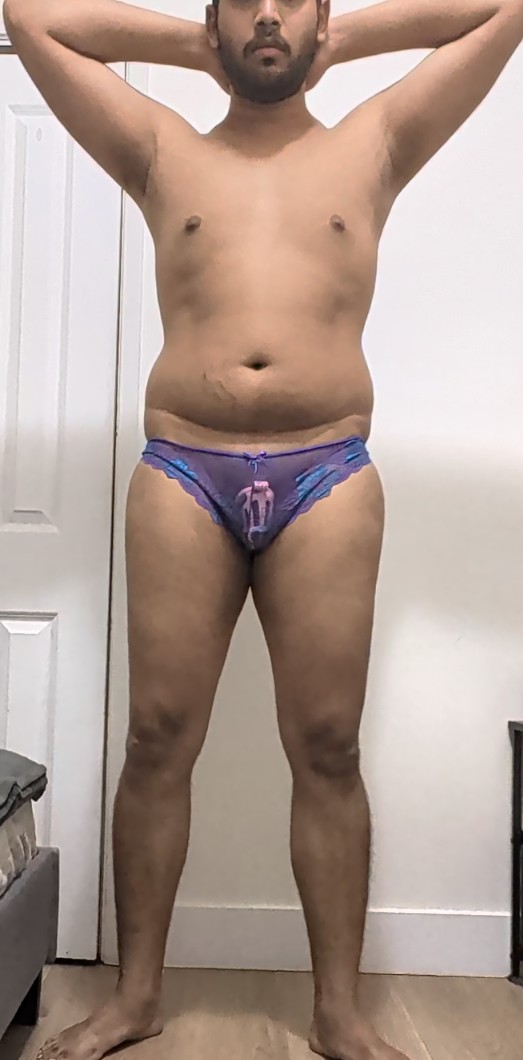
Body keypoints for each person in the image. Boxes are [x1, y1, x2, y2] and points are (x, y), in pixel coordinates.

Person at [3, 0, 522, 1055]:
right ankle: (135, 997)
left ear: (321, 18)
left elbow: (503, 11)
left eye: (293, 0)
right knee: (156, 738)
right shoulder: (161, 149)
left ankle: (337, 1012)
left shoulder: (375, 142)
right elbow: (32, 19)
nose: (270, 14)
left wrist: (343, 40)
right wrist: (197, 49)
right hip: (181, 468)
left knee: (327, 745)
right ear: (216, 18)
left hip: (325, 469)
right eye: (246, 0)